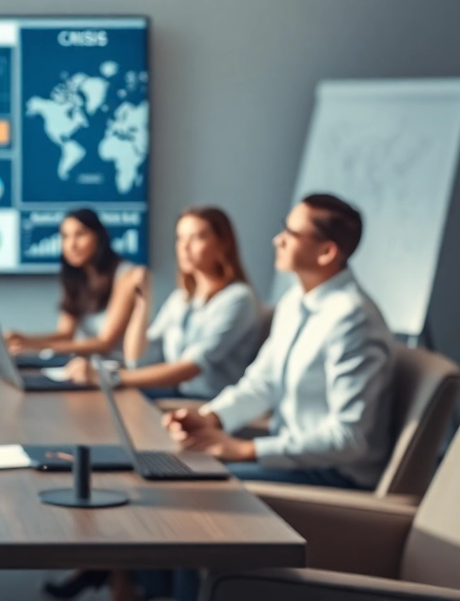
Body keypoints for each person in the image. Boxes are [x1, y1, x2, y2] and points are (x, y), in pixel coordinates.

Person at [165, 193, 395, 489]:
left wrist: (247, 450)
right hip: (293, 459)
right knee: (178, 467)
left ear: (326, 252)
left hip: (333, 474)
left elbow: (349, 439)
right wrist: (211, 418)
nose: (278, 240)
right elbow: (262, 383)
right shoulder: (294, 301)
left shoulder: (353, 319)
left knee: (195, 484)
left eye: (292, 233)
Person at [62, 206, 260, 400]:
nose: (184, 247)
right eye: (180, 238)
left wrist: (107, 377)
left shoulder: (237, 298)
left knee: (110, 399)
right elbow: (137, 360)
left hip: (206, 400)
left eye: (197, 237)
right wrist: (142, 303)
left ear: (223, 243)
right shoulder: (182, 298)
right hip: (178, 393)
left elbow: (192, 367)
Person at [5, 208, 145, 357]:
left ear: (99, 237)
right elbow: (65, 333)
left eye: (80, 234)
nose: (72, 245)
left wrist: (37, 349)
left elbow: (105, 342)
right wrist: (25, 340)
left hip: (119, 370)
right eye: (65, 237)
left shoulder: (127, 275)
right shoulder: (75, 277)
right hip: (85, 367)